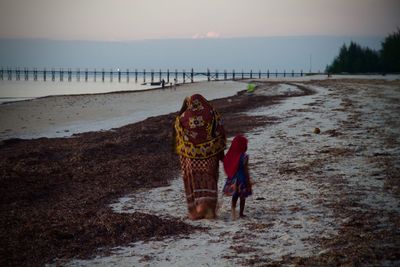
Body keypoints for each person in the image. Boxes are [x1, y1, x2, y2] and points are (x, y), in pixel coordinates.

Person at [174, 94, 226, 220]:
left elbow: (179, 136)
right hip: (210, 156)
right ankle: (209, 211)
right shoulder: (212, 113)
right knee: (210, 182)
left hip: (190, 157)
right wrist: (220, 153)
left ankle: (195, 211)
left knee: (194, 182)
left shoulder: (182, 117)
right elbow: (220, 132)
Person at [223, 134, 252, 220]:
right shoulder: (245, 156)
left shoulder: (230, 155)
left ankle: (233, 212)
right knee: (242, 197)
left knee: (234, 196)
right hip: (242, 178)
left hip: (233, 179)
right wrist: (248, 180)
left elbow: (226, 163)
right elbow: (246, 169)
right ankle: (241, 213)